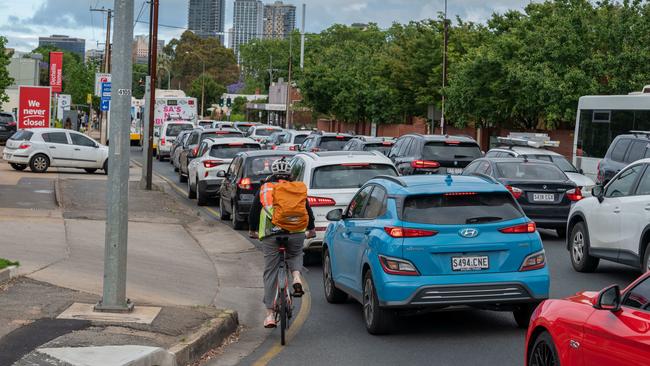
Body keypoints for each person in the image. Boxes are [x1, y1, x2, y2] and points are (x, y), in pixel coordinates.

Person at [249, 158, 316, 328]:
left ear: (273, 173)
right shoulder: (296, 188)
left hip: (270, 234)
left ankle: (270, 315)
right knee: (295, 254)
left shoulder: (265, 188)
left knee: (270, 271)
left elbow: (254, 212)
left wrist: (252, 230)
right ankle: (296, 277)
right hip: (296, 231)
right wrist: (312, 229)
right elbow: (307, 210)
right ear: (289, 175)